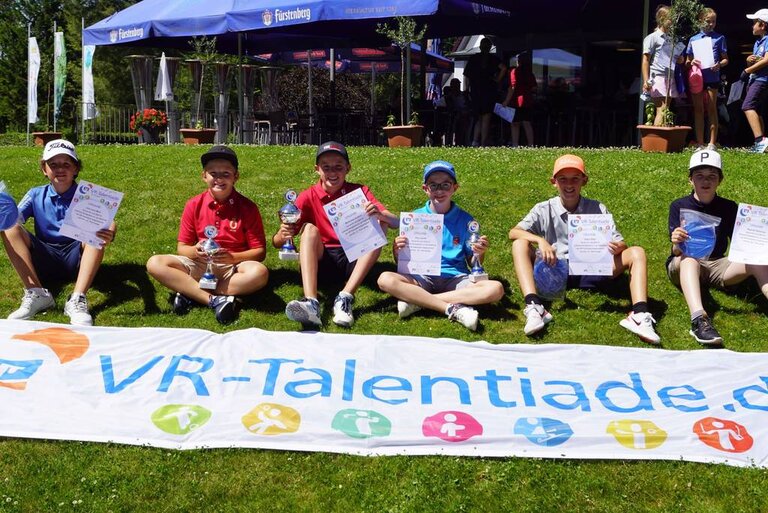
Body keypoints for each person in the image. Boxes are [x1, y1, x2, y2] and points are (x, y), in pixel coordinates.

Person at [508, 154, 660, 344]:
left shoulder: (597, 208)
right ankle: (534, 306)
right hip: (555, 270)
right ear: (554, 182)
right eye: (563, 179)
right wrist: (540, 240)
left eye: (575, 178)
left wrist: (618, 247)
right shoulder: (543, 208)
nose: (569, 184)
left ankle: (639, 314)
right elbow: (513, 232)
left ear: (584, 181)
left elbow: (621, 243)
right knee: (519, 244)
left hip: (593, 267)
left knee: (637, 252)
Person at [273, 141, 398, 329]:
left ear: (348, 168)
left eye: (338, 167)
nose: (332, 172)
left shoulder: (359, 191)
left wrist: (380, 214)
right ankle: (311, 302)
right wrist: (283, 234)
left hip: (355, 257)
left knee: (381, 223)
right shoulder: (308, 196)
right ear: (317, 169)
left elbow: (395, 222)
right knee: (309, 229)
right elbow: (277, 243)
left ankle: (345, 297)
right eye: (326, 167)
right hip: (324, 259)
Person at [146, 145, 268, 324]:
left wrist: (232, 257)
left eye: (226, 174)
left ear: (236, 176)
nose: (219, 179)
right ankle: (214, 300)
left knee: (259, 273)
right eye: (213, 174)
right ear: (204, 176)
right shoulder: (193, 204)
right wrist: (195, 252)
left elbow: (260, 252)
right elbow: (182, 248)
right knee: (155, 263)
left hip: (233, 268)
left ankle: (191, 292)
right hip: (200, 264)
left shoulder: (248, 207)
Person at [377, 160, 504, 332]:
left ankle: (420, 301)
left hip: (456, 278)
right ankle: (451, 308)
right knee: (385, 279)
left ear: (454, 188)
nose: (439, 191)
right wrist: (396, 249)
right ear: (425, 189)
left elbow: (472, 262)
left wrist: (479, 252)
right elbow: (403, 262)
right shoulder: (414, 218)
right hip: (422, 277)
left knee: (496, 289)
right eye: (433, 185)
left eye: (445, 185)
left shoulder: (466, 220)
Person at [1, 139, 115, 325]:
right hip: (44, 256)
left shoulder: (87, 194)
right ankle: (37, 293)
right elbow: (15, 219)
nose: (60, 169)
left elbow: (108, 222)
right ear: (44, 169)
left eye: (66, 164)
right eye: (53, 165)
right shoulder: (35, 194)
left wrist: (110, 232)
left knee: (96, 232)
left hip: (76, 257)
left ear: (76, 168)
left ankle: (77, 298)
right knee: (9, 226)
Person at [667, 149, 768, 347]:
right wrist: (676, 242)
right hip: (684, 263)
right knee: (689, 258)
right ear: (690, 180)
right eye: (699, 176)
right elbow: (676, 252)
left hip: (716, 264)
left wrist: (759, 239)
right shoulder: (678, 205)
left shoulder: (729, 207)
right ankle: (699, 319)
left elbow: (742, 244)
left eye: (712, 176)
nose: (706, 181)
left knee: (757, 260)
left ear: (720, 180)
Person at [685, 7, 728, 149]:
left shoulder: (719, 38)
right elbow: (687, 61)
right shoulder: (693, 39)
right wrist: (691, 62)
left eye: (713, 21)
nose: (711, 24)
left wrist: (719, 64)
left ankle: (712, 142)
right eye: (708, 21)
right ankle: (700, 142)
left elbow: (726, 59)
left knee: (711, 108)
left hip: (712, 77)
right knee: (698, 109)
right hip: (697, 78)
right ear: (700, 21)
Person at [642, 4, 686, 126]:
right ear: (662, 19)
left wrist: (680, 59)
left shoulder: (672, 39)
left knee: (666, 109)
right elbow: (645, 60)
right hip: (658, 76)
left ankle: (662, 136)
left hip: (670, 76)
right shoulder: (652, 38)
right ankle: (657, 137)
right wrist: (646, 80)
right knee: (662, 109)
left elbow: (679, 60)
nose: (673, 22)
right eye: (670, 18)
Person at [463, 37, 506, 146]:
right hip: (489, 91)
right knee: (486, 118)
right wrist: (497, 80)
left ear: (480, 47)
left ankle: (475, 141)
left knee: (478, 118)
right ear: (490, 47)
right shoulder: (493, 59)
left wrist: (467, 89)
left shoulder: (473, 58)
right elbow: (504, 68)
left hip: (476, 91)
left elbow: (466, 76)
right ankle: (483, 143)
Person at [741, 9, 768, 153]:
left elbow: (767, 60)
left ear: (762, 25)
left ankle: (760, 141)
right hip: (755, 79)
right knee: (757, 110)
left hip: (762, 80)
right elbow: (759, 60)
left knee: (747, 106)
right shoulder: (758, 42)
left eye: (754, 23)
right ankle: (763, 144)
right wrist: (749, 61)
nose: (752, 26)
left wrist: (747, 70)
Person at [502, 52, 537, 147]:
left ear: (519, 61)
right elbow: (534, 88)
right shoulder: (530, 73)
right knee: (527, 123)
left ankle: (515, 144)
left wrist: (506, 101)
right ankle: (530, 144)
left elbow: (512, 88)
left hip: (516, 101)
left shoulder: (514, 72)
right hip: (527, 101)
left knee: (515, 123)